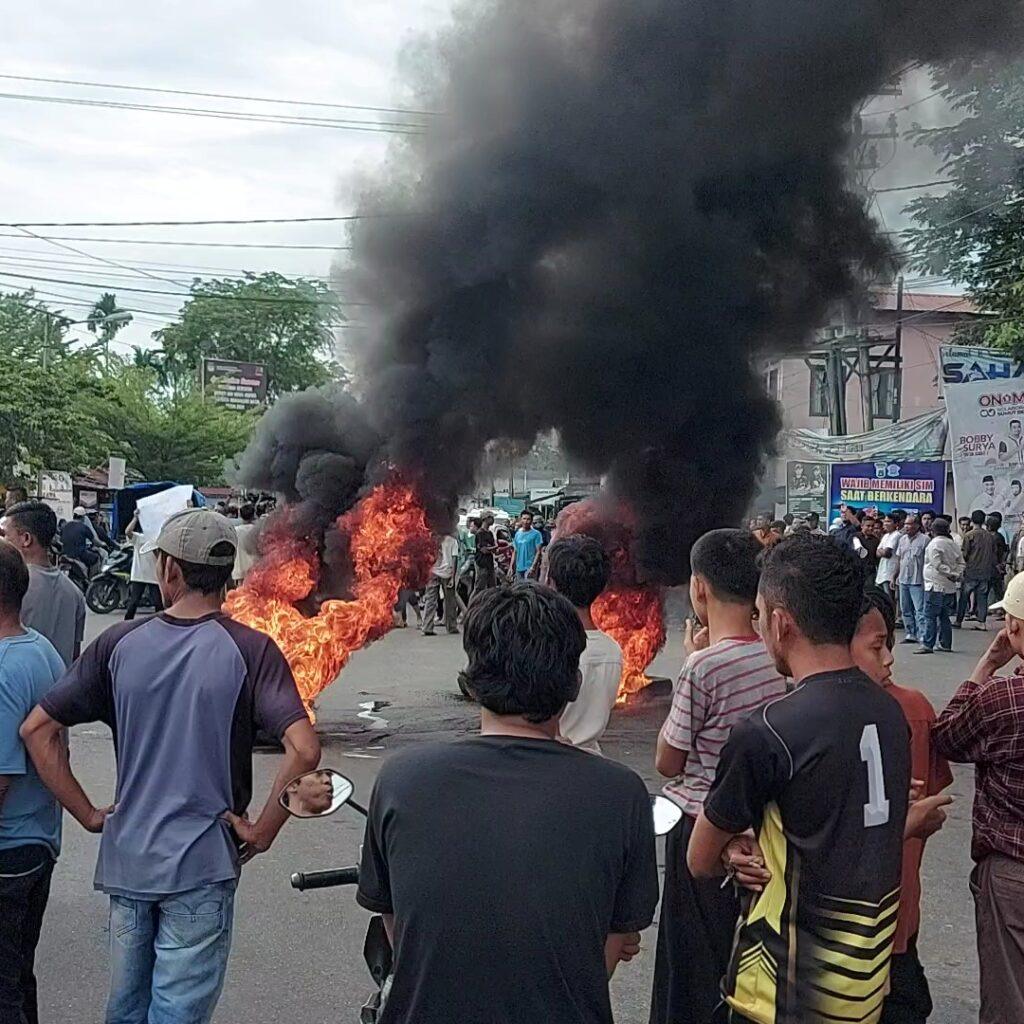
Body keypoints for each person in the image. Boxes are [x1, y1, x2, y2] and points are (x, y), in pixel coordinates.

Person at [20, 508, 320, 1024]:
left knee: (126, 1011)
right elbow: (305, 750)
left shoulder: (119, 643)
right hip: (203, 866)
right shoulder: (251, 650)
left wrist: (88, 814)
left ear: (169, 569)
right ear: (225, 574)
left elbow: (36, 730)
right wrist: (263, 830)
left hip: (129, 862)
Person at [356, 583, 659, 1024]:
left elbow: (397, 924)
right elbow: (613, 944)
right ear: (573, 683)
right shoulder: (621, 793)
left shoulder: (401, 779)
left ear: (472, 681)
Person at [686, 534, 911, 1024]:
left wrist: (734, 848)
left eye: (759, 615)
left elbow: (699, 859)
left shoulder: (769, 730)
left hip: (781, 996)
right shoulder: (891, 713)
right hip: (863, 991)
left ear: (780, 622)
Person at [650, 529, 787, 1024]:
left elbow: (668, 761)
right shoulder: (777, 656)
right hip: (761, 827)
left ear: (699, 587)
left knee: (690, 966)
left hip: (701, 830)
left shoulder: (703, 667)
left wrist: (692, 660)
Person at [852, 587, 953, 1024]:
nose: (890, 658)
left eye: (887, 643)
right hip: (893, 916)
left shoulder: (794, 719)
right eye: (878, 647)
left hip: (847, 928)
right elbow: (931, 801)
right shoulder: (912, 709)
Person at [934, 574, 1024, 1024]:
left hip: (1011, 869)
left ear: (1015, 627)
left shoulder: (1005, 699)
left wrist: (985, 667)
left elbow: (946, 736)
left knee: (1009, 1000)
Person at [0, 540, 66, 1024]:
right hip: (38, 841)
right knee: (17, 976)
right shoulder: (41, 649)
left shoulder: (5, 667)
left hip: (8, 850)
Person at [546, 534, 622, 755]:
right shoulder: (612, 651)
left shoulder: (545, 645)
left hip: (549, 757)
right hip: (591, 758)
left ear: (552, 582)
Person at [2, 501, 86, 668]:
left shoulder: (11, 586)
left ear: (26, 539)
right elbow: (74, 656)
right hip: (58, 682)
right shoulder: (74, 593)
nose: (2, 541)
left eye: (5, 535)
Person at [919, 517, 964, 655]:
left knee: (930, 616)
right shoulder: (953, 544)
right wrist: (956, 574)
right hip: (949, 587)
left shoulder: (934, 544)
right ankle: (945, 643)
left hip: (934, 585)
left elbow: (937, 564)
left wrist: (950, 573)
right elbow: (961, 563)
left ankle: (928, 644)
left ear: (933, 531)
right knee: (944, 616)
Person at [957, 510, 1002, 631]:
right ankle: (981, 622)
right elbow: (994, 554)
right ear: (984, 521)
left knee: (964, 596)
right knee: (982, 597)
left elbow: (965, 554)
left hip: (971, 571)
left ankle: (958, 620)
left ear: (972, 520)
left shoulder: (969, 535)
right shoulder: (990, 536)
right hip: (985, 571)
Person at [124, 511, 164, 622]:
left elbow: (160, 557)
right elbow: (128, 532)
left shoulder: (158, 540)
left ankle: (160, 623)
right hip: (139, 575)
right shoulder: (139, 538)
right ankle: (127, 623)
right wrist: (135, 517)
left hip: (153, 576)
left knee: (158, 603)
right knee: (133, 602)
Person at [896, 513, 929, 645]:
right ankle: (910, 633)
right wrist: (894, 576)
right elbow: (899, 559)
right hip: (903, 578)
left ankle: (923, 635)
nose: (907, 527)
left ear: (917, 525)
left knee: (920, 610)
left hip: (918, 580)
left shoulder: (925, 540)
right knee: (905, 608)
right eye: (905, 524)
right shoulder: (902, 539)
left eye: (909, 524)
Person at [421, 531, 459, 636]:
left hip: (433, 572)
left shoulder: (433, 540)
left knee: (430, 600)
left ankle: (427, 626)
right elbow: (454, 559)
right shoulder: (453, 541)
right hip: (447, 573)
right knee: (450, 601)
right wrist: (453, 577)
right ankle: (451, 627)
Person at [60, 507, 100, 573]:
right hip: (79, 554)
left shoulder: (66, 526)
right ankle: (92, 578)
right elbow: (96, 542)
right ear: (83, 517)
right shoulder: (84, 527)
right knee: (96, 559)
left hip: (65, 553)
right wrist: (103, 544)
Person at [509, 511, 544, 580]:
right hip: (519, 568)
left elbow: (538, 552)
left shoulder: (536, 534)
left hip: (530, 568)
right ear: (521, 520)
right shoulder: (517, 534)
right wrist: (511, 567)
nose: (526, 521)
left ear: (531, 521)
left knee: (530, 586)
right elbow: (515, 551)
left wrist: (533, 567)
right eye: (524, 519)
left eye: (528, 519)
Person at [232, 503, 259, 585]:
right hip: (255, 569)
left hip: (239, 569)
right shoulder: (258, 530)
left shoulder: (235, 531)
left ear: (240, 515)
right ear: (254, 515)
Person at [471, 514, 497, 596]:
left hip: (490, 563)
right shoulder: (480, 533)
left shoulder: (490, 533)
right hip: (481, 563)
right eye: (491, 517)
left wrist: (491, 548)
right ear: (485, 519)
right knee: (479, 587)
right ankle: (473, 602)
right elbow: (484, 550)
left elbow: (495, 549)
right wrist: (492, 547)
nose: (493, 519)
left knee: (492, 586)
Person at [876, 514, 900, 598]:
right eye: (885, 521)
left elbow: (887, 553)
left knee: (889, 599)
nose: (885, 523)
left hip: (890, 573)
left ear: (896, 524)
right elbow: (877, 553)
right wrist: (881, 551)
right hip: (882, 572)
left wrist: (881, 551)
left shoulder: (896, 535)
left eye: (889, 521)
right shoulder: (886, 536)